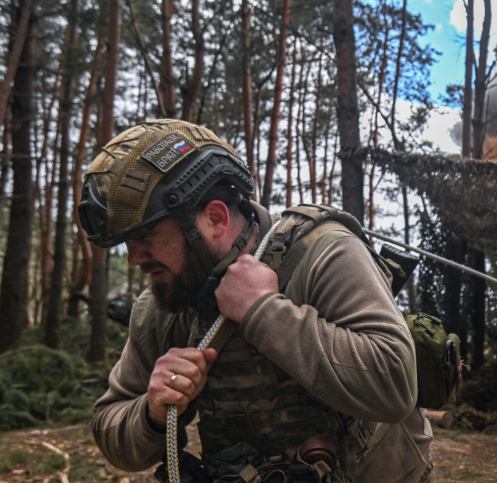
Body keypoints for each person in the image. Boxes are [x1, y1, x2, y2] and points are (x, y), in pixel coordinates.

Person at [80, 119, 433, 482]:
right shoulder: (165, 303)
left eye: (147, 236)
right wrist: (152, 412)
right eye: (127, 243)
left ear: (214, 219)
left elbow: (396, 386)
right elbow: (110, 427)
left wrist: (263, 310)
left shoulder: (324, 253)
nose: (134, 258)